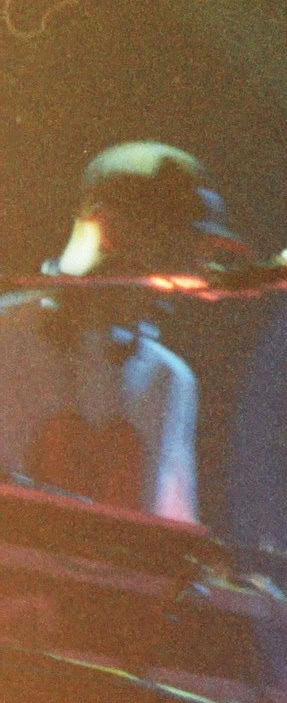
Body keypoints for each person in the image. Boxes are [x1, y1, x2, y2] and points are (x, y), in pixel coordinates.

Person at [0, 142, 241, 522]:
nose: (193, 269)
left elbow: (170, 536)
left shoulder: (169, 380)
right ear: (107, 228)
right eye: (172, 243)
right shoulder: (7, 334)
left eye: (200, 252)